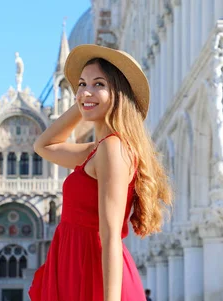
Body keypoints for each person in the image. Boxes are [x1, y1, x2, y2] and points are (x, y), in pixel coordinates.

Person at [28, 44, 172, 301]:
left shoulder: (113, 149)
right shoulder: (98, 150)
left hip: (92, 271)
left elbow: (110, 236)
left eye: (99, 84)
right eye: (82, 84)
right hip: (76, 266)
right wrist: (86, 101)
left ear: (119, 93)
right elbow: (43, 146)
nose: (86, 90)